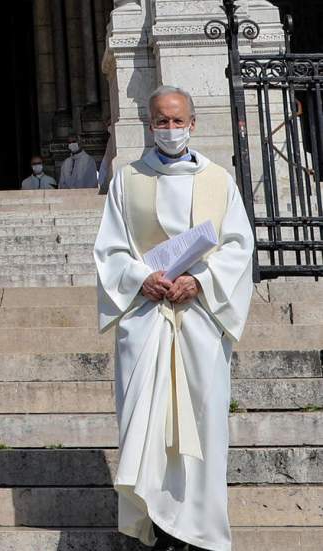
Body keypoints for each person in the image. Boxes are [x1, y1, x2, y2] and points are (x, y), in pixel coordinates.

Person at [94, 85, 254, 551]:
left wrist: (201, 281)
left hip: (200, 320)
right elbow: (110, 248)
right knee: (145, 419)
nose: (169, 129)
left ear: (193, 123)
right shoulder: (127, 179)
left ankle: (197, 525)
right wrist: (140, 277)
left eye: (177, 120)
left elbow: (239, 248)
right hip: (146, 319)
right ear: (148, 125)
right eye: (161, 121)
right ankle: (157, 524)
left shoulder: (219, 180)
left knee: (203, 420)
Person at [98, 117, 117, 194]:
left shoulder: (113, 139)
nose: (108, 127)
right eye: (107, 125)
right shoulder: (111, 139)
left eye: (109, 124)